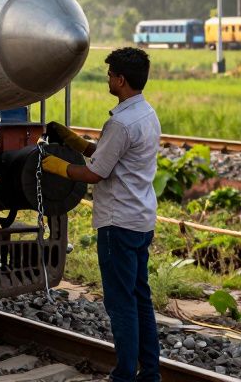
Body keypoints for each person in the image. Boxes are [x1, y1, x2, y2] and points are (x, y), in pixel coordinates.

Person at [39, 47, 162, 382]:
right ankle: (149, 372)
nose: (108, 78)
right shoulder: (146, 114)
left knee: (120, 304)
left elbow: (96, 173)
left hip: (117, 223)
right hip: (140, 220)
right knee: (139, 298)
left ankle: (123, 375)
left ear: (120, 80)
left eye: (110, 74)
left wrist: (58, 166)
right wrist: (77, 143)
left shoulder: (121, 122)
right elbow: (110, 157)